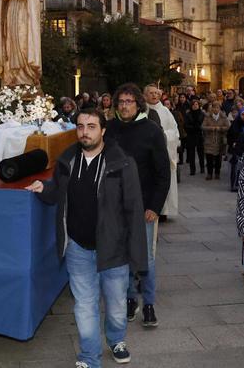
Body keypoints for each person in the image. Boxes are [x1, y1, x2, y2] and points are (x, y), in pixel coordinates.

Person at [26, 109, 147, 368]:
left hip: (114, 249)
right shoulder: (67, 159)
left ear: (103, 130)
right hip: (78, 247)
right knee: (85, 305)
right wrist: (42, 187)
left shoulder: (121, 162)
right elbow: (57, 192)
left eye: (91, 126)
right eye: (80, 126)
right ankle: (89, 357)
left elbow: (134, 210)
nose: (85, 132)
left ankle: (116, 340)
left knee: (115, 305)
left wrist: (137, 256)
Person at [104, 83, 170, 328]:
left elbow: (163, 172)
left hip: (144, 205)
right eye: (120, 102)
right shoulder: (109, 129)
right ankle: (130, 299)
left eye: (129, 102)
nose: (124, 106)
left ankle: (149, 303)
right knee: (122, 256)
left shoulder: (152, 131)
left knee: (145, 258)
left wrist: (155, 205)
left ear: (138, 104)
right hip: (115, 205)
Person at [145, 84, 180, 221]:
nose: (154, 95)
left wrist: (163, 135)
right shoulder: (142, 111)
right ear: (145, 95)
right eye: (151, 93)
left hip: (163, 151)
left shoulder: (165, 111)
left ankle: (164, 210)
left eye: (156, 93)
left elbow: (175, 132)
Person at [201, 101, 230, 180]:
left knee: (218, 158)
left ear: (219, 109)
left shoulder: (223, 117)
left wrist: (220, 128)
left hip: (219, 140)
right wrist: (211, 128)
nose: (216, 109)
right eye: (214, 107)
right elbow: (203, 126)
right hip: (209, 140)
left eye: (217, 108)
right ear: (212, 108)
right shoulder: (208, 116)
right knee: (209, 157)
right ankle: (209, 173)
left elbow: (227, 127)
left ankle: (217, 173)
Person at [227, 109, 244, 191]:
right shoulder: (235, 124)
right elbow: (229, 136)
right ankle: (234, 185)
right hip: (237, 150)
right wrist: (232, 143)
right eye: (243, 114)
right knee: (236, 168)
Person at [184, 99, 205, 176]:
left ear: (199, 105)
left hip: (199, 135)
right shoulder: (188, 114)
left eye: (196, 104)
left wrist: (199, 128)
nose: (195, 106)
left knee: (201, 153)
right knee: (191, 153)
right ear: (191, 106)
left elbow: (204, 124)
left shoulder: (202, 114)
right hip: (191, 135)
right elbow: (185, 125)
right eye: (193, 105)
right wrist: (193, 128)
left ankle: (202, 168)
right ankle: (192, 169)